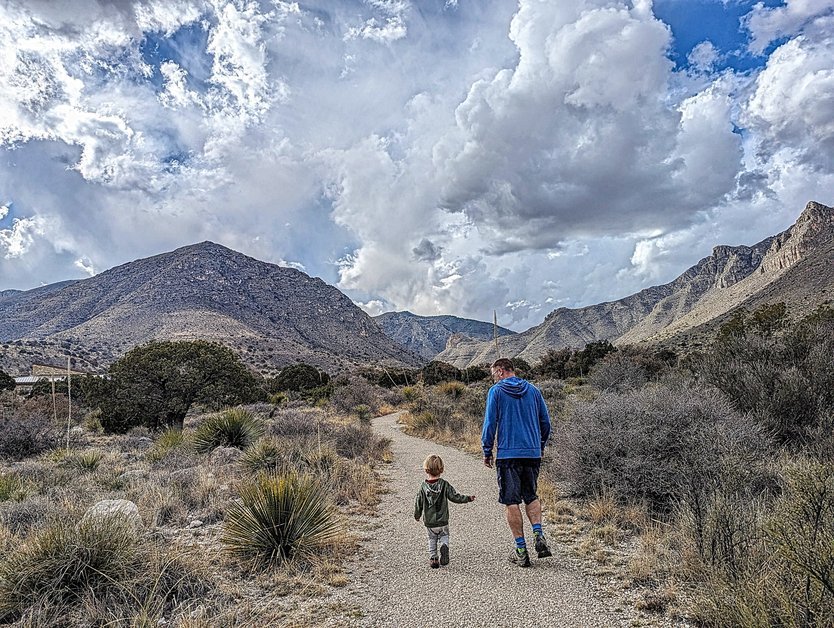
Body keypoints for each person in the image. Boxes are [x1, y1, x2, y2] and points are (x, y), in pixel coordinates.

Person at [481, 357, 552, 567]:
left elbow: (490, 423)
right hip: (532, 453)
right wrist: (539, 445)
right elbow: (545, 422)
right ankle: (538, 534)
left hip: (508, 455)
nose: (493, 378)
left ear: (501, 371)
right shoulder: (533, 390)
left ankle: (521, 550)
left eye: (494, 374)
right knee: (531, 495)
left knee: (511, 501)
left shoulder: (496, 392)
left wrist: (487, 450)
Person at [414, 454, 475, 568]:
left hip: (430, 521)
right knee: (444, 535)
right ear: (441, 469)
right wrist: (467, 498)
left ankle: (434, 559)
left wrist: (417, 515)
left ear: (426, 469)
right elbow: (454, 497)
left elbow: (419, 502)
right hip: (443, 520)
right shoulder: (444, 485)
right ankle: (444, 545)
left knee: (431, 538)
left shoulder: (423, 487)